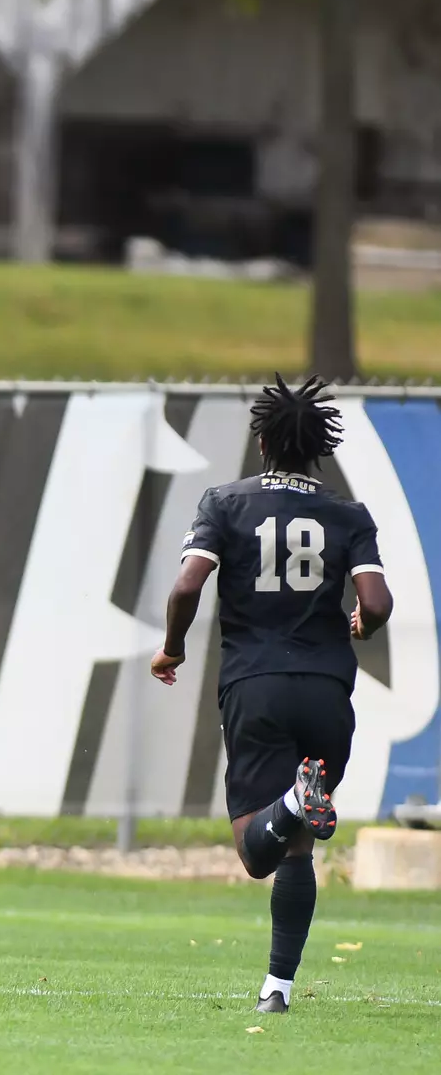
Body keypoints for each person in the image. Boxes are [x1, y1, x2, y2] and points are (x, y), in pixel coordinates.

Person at [151, 374, 392, 1015]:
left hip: (256, 685)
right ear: (319, 448)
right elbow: (376, 602)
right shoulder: (348, 514)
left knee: (260, 850)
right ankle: (277, 990)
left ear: (262, 442)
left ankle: (291, 799)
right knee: (299, 849)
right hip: (327, 691)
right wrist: (362, 624)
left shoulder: (225, 503)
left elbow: (183, 590)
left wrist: (172, 648)